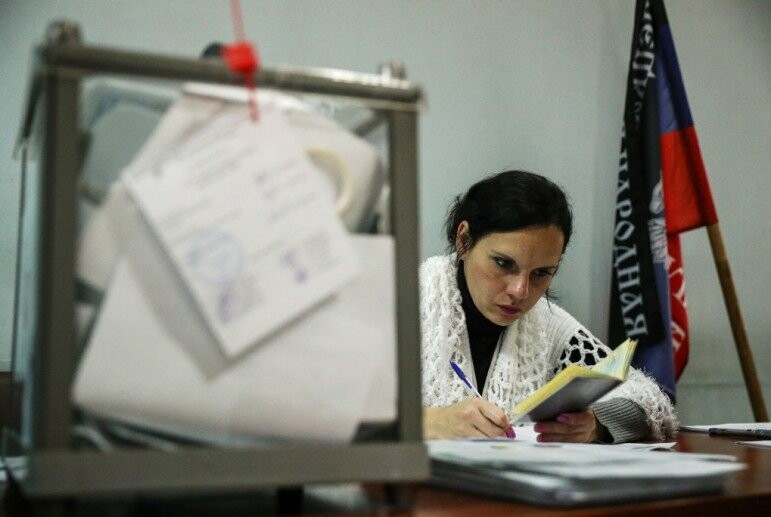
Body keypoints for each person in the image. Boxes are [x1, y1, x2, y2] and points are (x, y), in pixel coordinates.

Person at [420, 170, 677, 443]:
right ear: (463, 241)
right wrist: (428, 422)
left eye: (541, 273)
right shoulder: (401, 304)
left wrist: (596, 424)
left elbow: (652, 402)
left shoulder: (546, 324)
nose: (520, 290)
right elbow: (381, 414)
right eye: (503, 263)